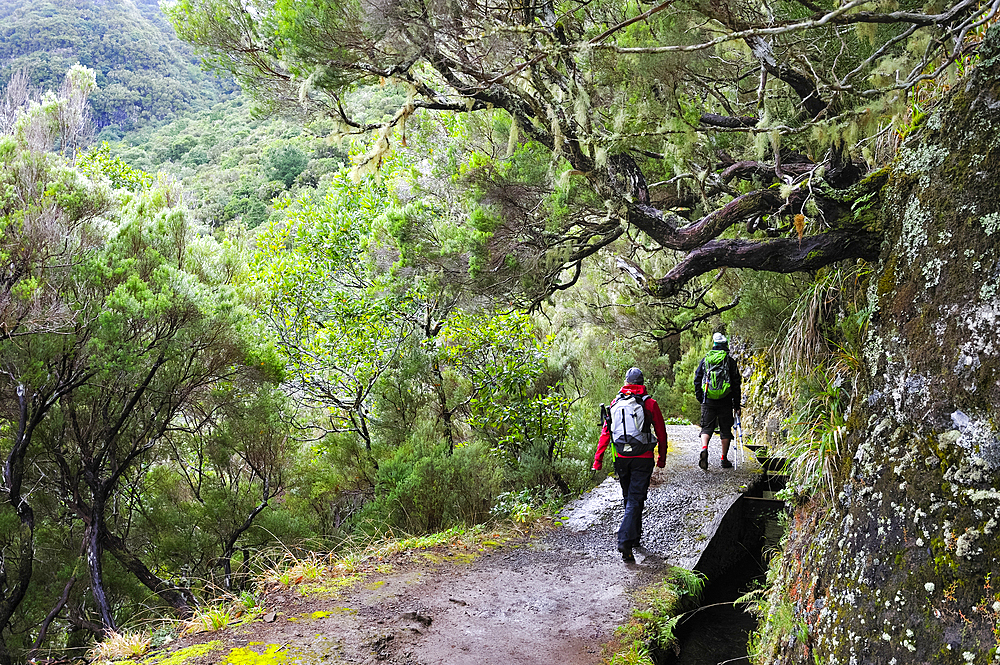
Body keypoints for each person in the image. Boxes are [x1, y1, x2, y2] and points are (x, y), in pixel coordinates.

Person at [592, 367, 668, 563]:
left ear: (626, 383)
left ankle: (634, 538)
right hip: (642, 459)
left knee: (629, 498)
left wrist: (598, 460)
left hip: (621, 459)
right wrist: (662, 458)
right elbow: (661, 432)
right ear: (642, 383)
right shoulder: (650, 403)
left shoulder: (615, 403)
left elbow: (606, 433)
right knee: (635, 498)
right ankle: (625, 540)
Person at [693, 332, 742, 470]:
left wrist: (701, 397)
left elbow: (697, 379)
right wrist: (736, 404)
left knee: (706, 427)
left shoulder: (706, 360)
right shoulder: (729, 361)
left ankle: (704, 448)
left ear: (714, 345)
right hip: (725, 401)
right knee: (725, 429)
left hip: (708, 399)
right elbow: (736, 383)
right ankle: (724, 459)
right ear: (725, 345)